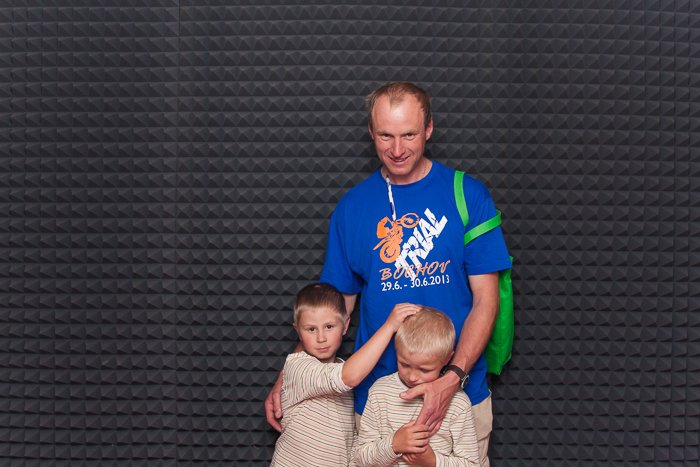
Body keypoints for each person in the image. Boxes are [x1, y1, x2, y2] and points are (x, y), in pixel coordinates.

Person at [265, 81, 511, 465]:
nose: (397, 149)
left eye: (409, 134)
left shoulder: (468, 195)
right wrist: (294, 374)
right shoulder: (352, 208)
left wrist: (452, 379)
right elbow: (333, 310)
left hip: (459, 396)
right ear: (370, 132)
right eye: (385, 136)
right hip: (379, 401)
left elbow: (486, 301)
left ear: (429, 129)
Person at [270, 282, 419, 466]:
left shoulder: (344, 370)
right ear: (298, 332)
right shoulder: (297, 366)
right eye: (311, 329)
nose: (321, 338)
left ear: (345, 325)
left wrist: (392, 445)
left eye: (329, 326)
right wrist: (389, 327)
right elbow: (348, 377)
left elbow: (351, 448)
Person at [355, 308, 480, 467]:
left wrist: (433, 461)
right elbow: (361, 458)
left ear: (447, 358)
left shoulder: (458, 403)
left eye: (424, 370)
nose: (412, 377)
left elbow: (471, 464)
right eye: (405, 364)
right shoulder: (379, 392)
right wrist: (394, 445)